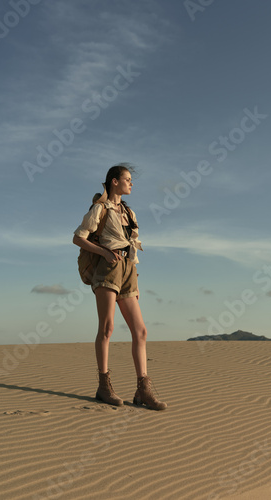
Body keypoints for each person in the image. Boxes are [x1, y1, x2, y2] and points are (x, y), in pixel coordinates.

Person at [72, 164, 167, 411]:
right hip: (108, 269)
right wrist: (103, 251)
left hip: (128, 271)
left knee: (141, 331)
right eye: (127, 179)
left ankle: (143, 390)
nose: (131, 183)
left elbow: (132, 243)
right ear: (114, 181)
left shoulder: (129, 212)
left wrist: (133, 275)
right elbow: (78, 237)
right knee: (107, 328)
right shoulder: (100, 208)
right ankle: (104, 387)